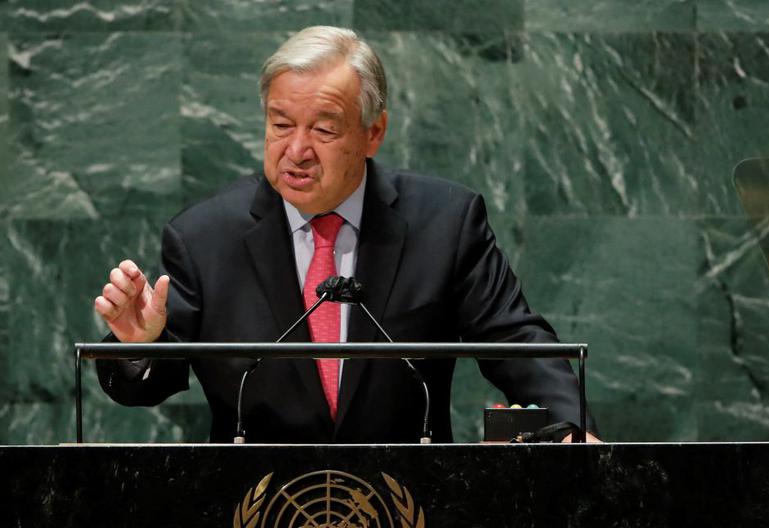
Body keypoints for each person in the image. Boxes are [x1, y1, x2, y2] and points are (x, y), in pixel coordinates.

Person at [94, 26, 598, 443]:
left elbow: (514, 339)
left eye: (324, 130)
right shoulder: (205, 237)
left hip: (409, 503)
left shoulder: (444, 222)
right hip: (261, 503)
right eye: (281, 124)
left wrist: (572, 429)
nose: (296, 150)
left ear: (373, 133)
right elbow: (148, 381)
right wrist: (140, 346)